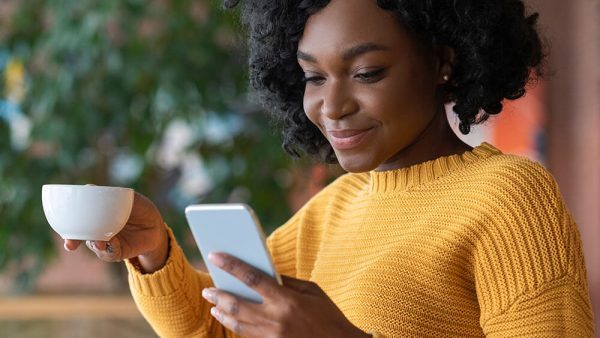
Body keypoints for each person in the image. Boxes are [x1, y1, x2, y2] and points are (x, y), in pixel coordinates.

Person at [64, 0, 595, 337]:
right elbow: (222, 329)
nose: (332, 106)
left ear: (442, 62)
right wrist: (154, 252)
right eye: (313, 78)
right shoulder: (333, 209)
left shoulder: (509, 198)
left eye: (366, 72)